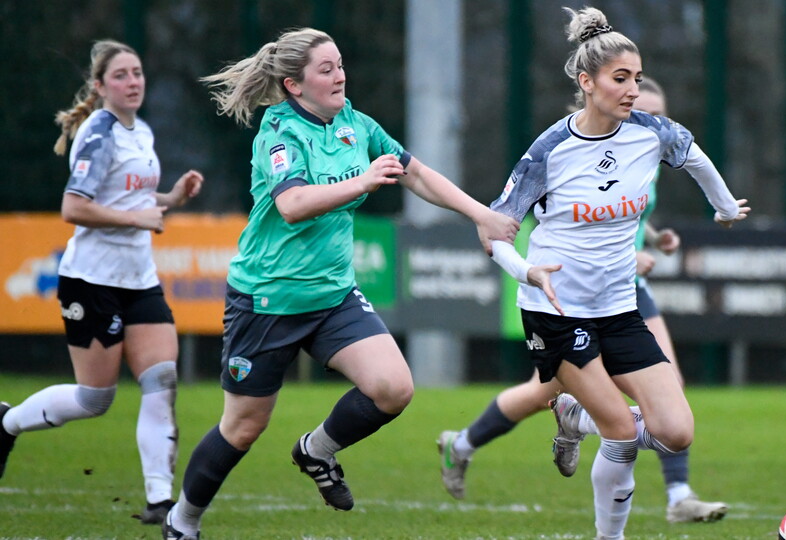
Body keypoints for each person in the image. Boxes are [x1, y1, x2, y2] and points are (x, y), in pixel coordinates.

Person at [160, 28, 518, 540]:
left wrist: (481, 215)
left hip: (331, 295)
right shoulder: (279, 131)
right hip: (268, 299)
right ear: (293, 85)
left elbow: (414, 173)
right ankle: (182, 521)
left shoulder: (355, 123)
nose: (340, 76)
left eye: (340, 64)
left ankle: (316, 450)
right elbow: (292, 205)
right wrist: (364, 181)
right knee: (243, 427)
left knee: (394, 389)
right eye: (325, 69)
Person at [482, 7, 749, 539]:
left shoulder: (651, 132)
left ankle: (572, 416)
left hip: (618, 308)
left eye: (637, 78)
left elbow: (693, 156)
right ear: (587, 82)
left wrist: (722, 208)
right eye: (620, 79)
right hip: (555, 313)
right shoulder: (549, 151)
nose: (632, 90)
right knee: (623, 432)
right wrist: (527, 271)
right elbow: (494, 233)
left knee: (676, 432)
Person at [437, 77, 728, 524]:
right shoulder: (564, 147)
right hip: (565, 294)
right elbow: (568, 210)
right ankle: (463, 443)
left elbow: (628, 210)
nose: (637, 108)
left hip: (623, 293)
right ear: (594, 89)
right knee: (549, 396)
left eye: (647, 103)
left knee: (666, 405)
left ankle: (677, 494)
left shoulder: (647, 141)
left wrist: (655, 238)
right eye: (627, 91)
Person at [0, 39, 204, 526]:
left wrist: (171, 197)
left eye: (137, 73)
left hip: (139, 279)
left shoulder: (142, 131)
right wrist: (140, 222)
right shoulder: (99, 133)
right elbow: (75, 207)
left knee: (162, 379)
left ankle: (160, 500)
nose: (133, 82)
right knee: (95, 399)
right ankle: (6, 423)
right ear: (99, 86)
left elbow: (130, 197)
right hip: (91, 280)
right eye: (121, 75)